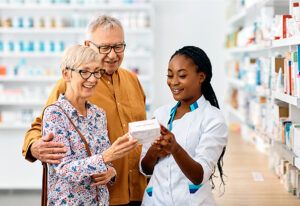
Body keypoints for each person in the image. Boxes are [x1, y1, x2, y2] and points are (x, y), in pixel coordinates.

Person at [22, 15, 147, 206]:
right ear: (88, 44)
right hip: (96, 195)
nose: (113, 55)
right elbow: (40, 125)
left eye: (118, 46)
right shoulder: (70, 83)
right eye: (105, 47)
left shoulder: (133, 80)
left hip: (136, 190)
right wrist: (34, 147)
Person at [43, 44, 138, 205]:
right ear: (66, 74)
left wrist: (111, 171)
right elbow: (63, 169)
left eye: (96, 72)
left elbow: (105, 163)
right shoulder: (55, 114)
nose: (93, 79)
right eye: (85, 72)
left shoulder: (98, 114)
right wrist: (106, 157)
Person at [140, 46, 228, 206]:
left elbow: (199, 176)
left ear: (201, 77)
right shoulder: (160, 114)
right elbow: (145, 168)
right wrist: (154, 152)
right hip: (155, 201)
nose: (174, 82)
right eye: (169, 75)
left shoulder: (213, 119)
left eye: (182, 75)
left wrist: (175, 148)